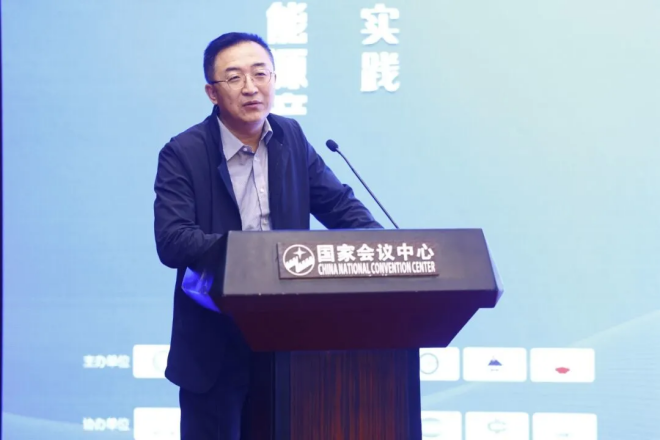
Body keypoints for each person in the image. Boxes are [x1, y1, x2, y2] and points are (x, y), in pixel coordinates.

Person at [153, 32, 382, 440]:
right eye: (235, 77)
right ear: (212, 92)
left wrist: (384, 249)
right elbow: (173, 241)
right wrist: (258, 255)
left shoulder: (291, 138)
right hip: (215, 342)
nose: (251, 87)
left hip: (287, 341)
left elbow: (340, 207)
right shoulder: (183, 152)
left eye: (261, 74)